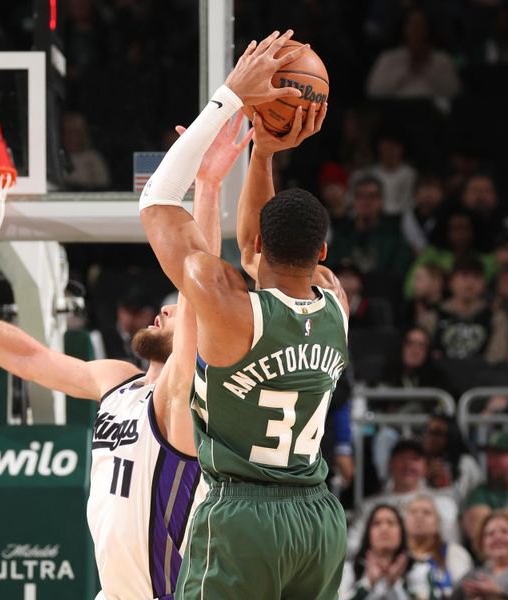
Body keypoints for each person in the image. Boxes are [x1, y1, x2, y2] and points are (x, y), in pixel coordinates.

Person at [0, 114, 252, 599]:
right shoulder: (119, 380)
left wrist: (208, 186)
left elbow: (200, 278)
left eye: (178, 309)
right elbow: (29, 358)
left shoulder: (182, 398)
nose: (165, 308)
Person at [140, 30, 349, 598]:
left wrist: (230, 97)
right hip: (319, 520)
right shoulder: (335, 301)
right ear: (321, 254)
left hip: (242, 516)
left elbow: (156, 203)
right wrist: (265, 152)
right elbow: (260, 247)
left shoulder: (225, 302)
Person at [350, 440, 461, 555]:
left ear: (425, 467)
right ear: (390, 464)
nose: (408, 465)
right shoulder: (369, 507)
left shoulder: (443, 503)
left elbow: (452, 548)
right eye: (402, 458)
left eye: (415, 459)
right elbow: (353, 545)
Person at [402, 495, 473, 599]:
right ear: (404, 521)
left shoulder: (454, 553)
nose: (419, 516)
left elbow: (466, 591)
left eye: (427, 512)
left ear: (437, 522)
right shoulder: (397, 556)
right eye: (413, 512)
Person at [340, 504, 409, 600]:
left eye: (391, 523)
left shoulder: (416, 570)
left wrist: (393, 583)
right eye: (377, 523)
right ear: (368, 533)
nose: (384, 528)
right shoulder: (349, 570)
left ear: (402, 532)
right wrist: (368, 583)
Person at [420, 414, 483, 505]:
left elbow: (475, 498)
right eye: (426, 430)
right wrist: (423, 479)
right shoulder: (416, 461)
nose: (429, 436)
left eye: (436, 433)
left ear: (451, 436)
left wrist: (447, 486)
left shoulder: (466, 463)